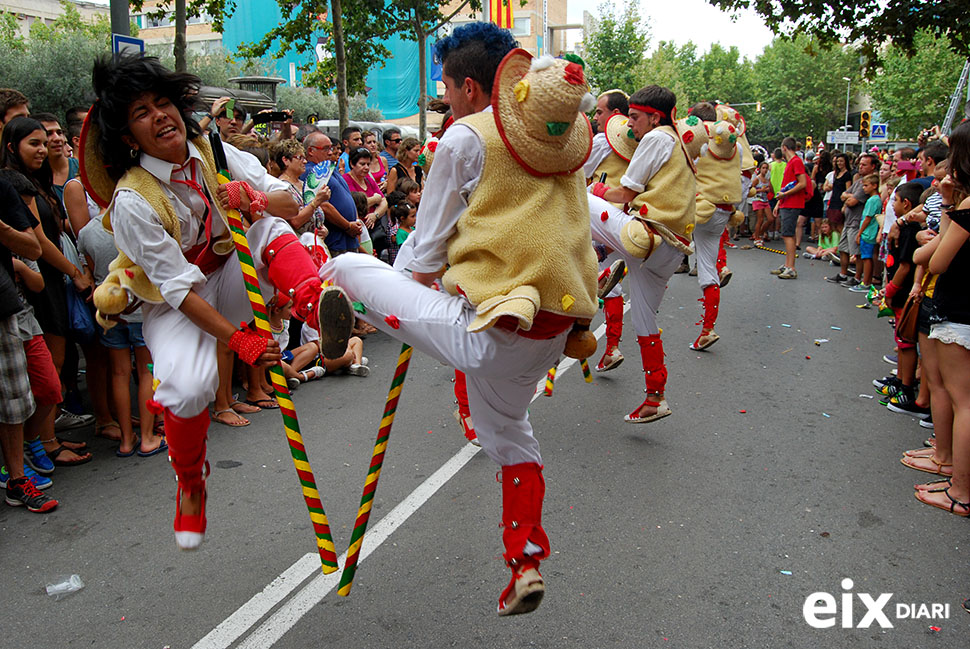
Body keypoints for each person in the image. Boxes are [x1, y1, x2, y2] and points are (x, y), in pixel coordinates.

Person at [315, 25, 599, 615]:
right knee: (509, 435)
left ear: (470, 86)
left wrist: (408, 297)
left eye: (444, 86)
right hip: (553, 334)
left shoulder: (466, 137)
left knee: (343, 264)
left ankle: (322, 316)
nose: (443, 98)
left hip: (490, 331)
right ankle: (525, 562)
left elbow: (421, 255)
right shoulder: (567, 137)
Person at [81, 54, 313, 550]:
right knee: (185, 388)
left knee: (268, 227)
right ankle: (190, 481)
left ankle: (316, 304)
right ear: (126, 135)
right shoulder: (132, 201)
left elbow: (290, 205)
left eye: (163, 103)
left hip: (231, 270)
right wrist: (243, 341)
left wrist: (250, 198)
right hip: (174, 303)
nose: (159, 115)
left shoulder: (216, 152)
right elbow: (180, 290)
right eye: (141, 111)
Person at [588, 88, 705, 423]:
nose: (630, 125)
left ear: (654, 116)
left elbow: (625, 193)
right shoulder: (682, 144)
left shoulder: (655, 139)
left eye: (635, 117)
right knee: (644, 320)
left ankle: (593, 260)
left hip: (644, 237)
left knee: (576, 198)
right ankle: (655, 397)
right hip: (671, 249)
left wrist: (596, 190)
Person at [0, 174, 57, 512]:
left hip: (7, 310)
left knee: (18, 398)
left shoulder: (3, 189)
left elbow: (33, 247)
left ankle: (17, 478)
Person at [685, 103, 742, 350]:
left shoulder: (698, 141)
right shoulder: (735, 145)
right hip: (724, 213)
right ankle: (707, 329)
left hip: (698, 208)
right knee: (708, 268)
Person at [828, 153, 878, 286]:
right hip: (848, 221)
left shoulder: (867, 184)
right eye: (860, 164)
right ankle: (843, 274)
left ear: (872, 166)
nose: (860, 167)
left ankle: (857, 278)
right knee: (843, 248)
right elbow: (843, 195)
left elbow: (852, 201)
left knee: (857, 252)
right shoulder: (858, 182)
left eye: (864, 165)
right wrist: (848, 197)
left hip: (856, 222)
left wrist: (848, 198)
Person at [769, 137, 808, 279]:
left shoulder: (796, 162)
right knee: (787, 234)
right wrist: (780, 202)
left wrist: (784, 195)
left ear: (784, 147)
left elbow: (802, 183)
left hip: (792, 203)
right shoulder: (791, 162)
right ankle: (787, 264)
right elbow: (790, 184)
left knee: (788, 234)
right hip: (787, 202)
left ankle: (791, 267)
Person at [851, 173, 882, 292]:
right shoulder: (875, 199)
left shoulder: (873, 200)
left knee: (866, 258)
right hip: (871, 232)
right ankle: (867, 281)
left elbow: (868, 218)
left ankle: (866, 282)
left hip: (868, 233)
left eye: (866, 185)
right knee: (868, 256)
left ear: (874, 186)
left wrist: (859, 233)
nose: (864, 188)